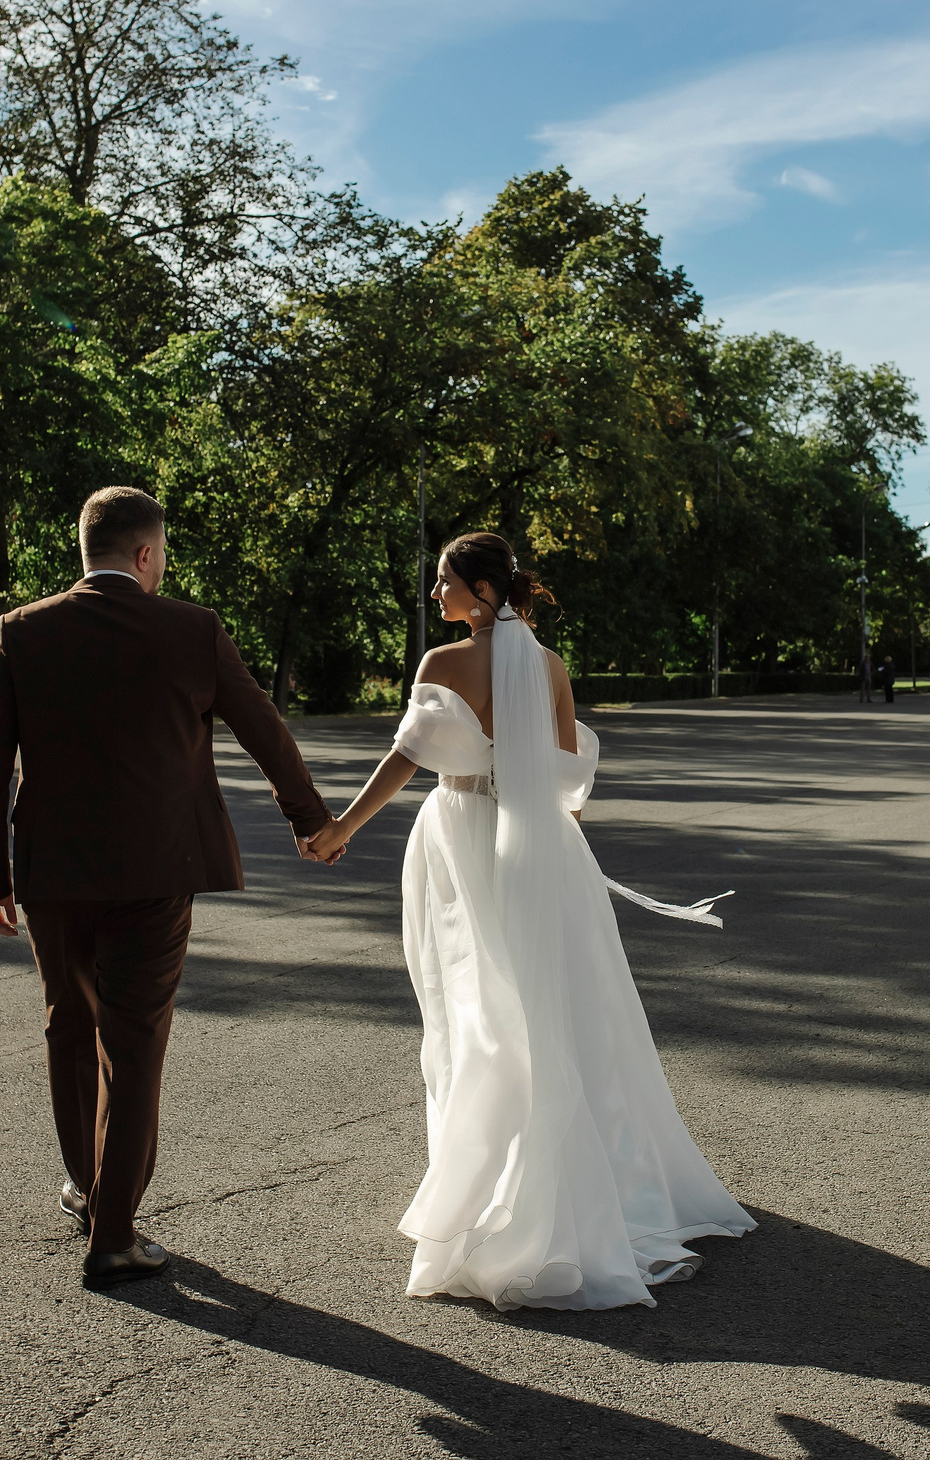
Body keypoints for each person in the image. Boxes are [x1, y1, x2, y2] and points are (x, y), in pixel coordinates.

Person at [304, 532, 754, 1310]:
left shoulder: (443, 663)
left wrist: (341, 825)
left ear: (481, 590)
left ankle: (498, 1190)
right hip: (543, 847)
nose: (435, 594)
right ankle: (584, 1178)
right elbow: (570, 784)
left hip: (462, 839)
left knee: (477, 1009)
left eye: (444, 581)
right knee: (557, 1009)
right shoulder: (551, 666)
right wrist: (535, 827)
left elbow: (405, 759)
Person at [0, 486, 338, 1286]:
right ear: (145, 553)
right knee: (133, 1044)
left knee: (70, 1027)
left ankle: (89, 1188)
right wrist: (309, 818)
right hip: (159, 869)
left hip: (53, 873)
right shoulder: (192, 630)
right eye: (161, 554)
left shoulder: (20, 631)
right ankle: (114, 1234)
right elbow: (262, 726)